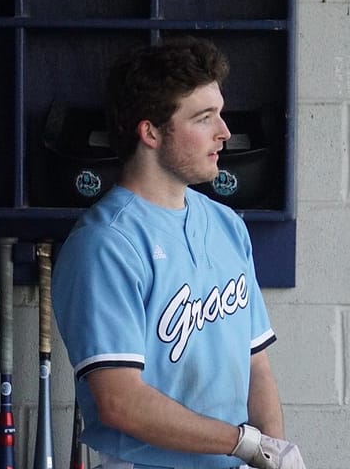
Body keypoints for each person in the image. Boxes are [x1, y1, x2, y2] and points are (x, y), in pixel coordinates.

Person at [51, 36, 306, 469]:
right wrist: (243, 442)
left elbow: (255, 366)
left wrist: (271, 452)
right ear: (150, 131)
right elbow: (120, 401)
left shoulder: (226, 225)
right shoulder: (105, 245)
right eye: (204, 118)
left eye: (220, 115)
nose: (224, 133)